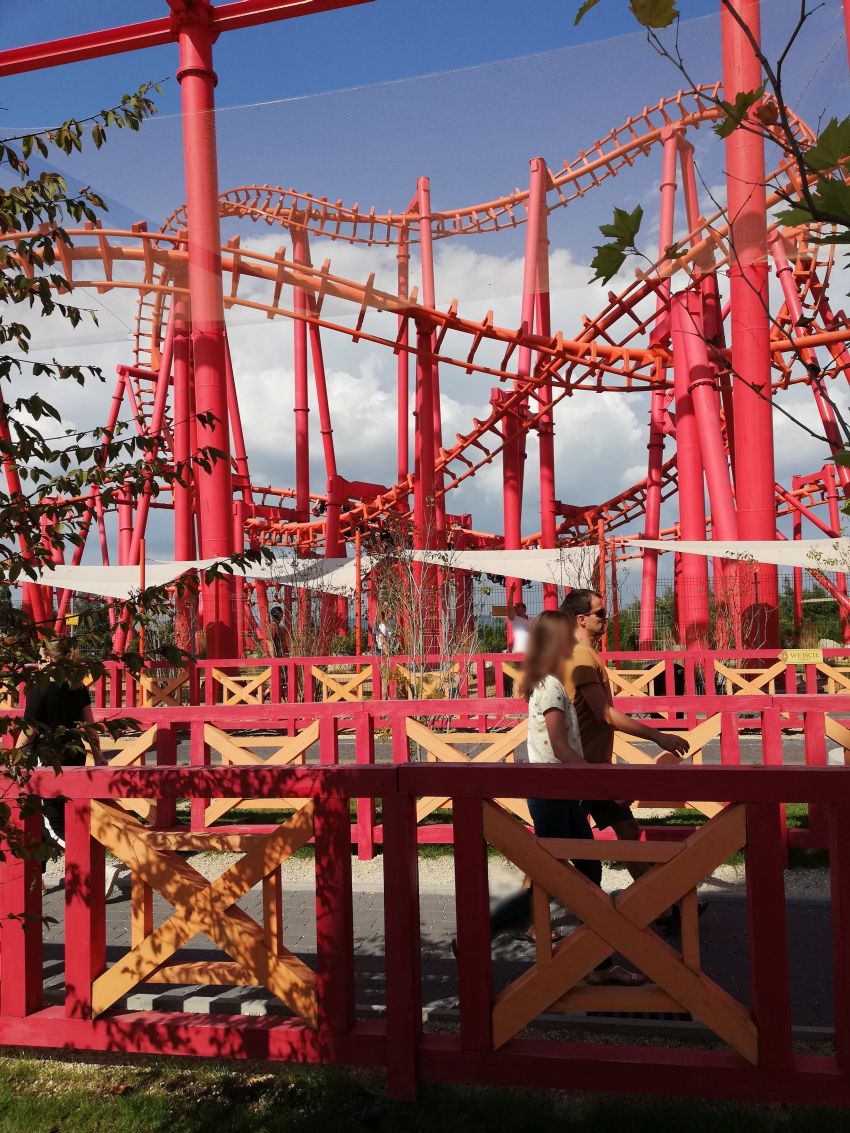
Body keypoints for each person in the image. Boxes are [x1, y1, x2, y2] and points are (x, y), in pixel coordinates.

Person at [488, 610, 644, 985]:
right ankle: (596, 965)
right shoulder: (552, 687)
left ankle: (596, 964)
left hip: (558, 793)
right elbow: (561, 747)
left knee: (577, 873)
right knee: (567, 877)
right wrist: (600, 785)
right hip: (554, 793)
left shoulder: (546, 682)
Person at [560, 589, 696, 931]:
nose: (606, 619)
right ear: (581, 619)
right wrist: (658, 736)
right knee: (556, 852)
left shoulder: (581, 655)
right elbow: (605, 714)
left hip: (589, 769)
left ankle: (659, 906)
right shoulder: (581, 657)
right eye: (600, 614)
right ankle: (508, 921)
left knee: (624, 832)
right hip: (584, 771)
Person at [15, 638, 119, 898]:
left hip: (47, 758)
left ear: (50, 660)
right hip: (74, 754)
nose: (38, 663)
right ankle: (37, 877)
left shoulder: (40, 687)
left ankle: (98, 869)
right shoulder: (77, 686)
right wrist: (97, 755)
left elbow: (29, 730)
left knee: (52, 822)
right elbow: (89, 726)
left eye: (41, 659)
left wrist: (13, 758)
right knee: (44, 817)